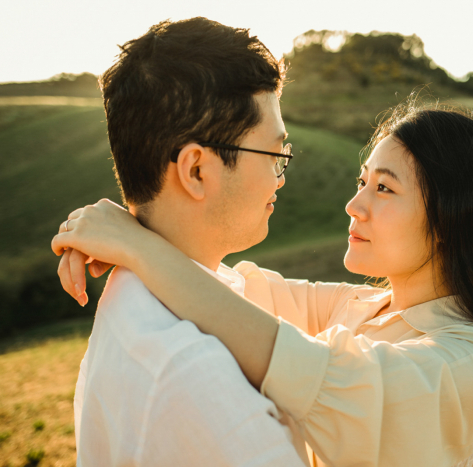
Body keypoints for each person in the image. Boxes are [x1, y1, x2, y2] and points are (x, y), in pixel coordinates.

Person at [53, 93, 473, 465]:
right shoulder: (359, 309)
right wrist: (118, 230)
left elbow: (309, 370)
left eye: (384, 188)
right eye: (362, 183)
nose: (355, 206)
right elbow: (229, 289)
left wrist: (135, 246)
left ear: (450, 220)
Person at [58, 17, 308, 466]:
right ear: (196, 170)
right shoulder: (199, 379)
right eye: (275, 154)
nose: (281, 176)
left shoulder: (140, 295)